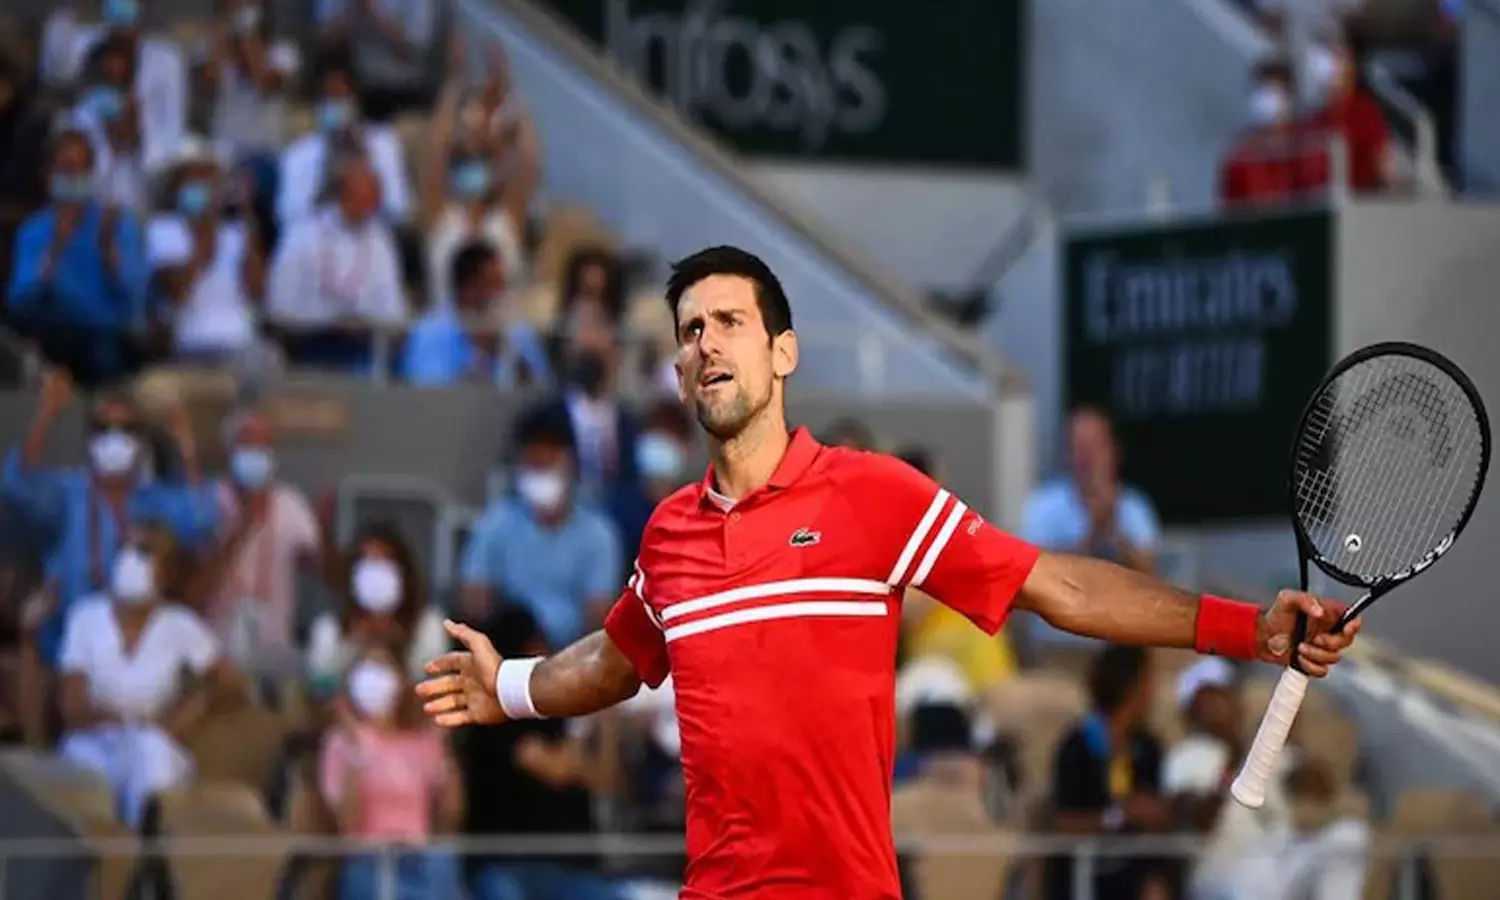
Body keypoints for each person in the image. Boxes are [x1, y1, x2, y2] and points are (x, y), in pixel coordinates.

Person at [417, 245, 1362, 900]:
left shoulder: (873, 495)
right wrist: (511, 687)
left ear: (783, 352)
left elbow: (1058, 587)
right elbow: (616, 659)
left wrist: (1250, 629)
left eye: (730, 321)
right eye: (690, 329)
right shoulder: (667, 536)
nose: (706, 341)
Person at [57, 525, 239, 827]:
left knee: (153, 753)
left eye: (145, 553)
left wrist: (193, 707)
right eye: (127, 549)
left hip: (152, 739)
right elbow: (72, 708)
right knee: (83, 768)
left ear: (166, 574)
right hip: (95, 740)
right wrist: (120, 720)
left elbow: (232, 685)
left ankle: (144, 846)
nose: (132, 560)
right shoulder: (86, 617)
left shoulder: (180, 624)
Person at [185, 408, 332, 681]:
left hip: (273, 660)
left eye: (265, 445)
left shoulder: (290, 503)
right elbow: (192, 594)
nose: (257, 452)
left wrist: (327, 532)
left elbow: (325, 572)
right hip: (214, 661)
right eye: (248, 443)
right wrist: (241, 528)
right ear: (230, 450)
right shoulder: (205, 502)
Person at [458, 405, 621, 643]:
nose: (541, 471)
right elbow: (473, 599)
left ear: (571, 465)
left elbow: (598, 616)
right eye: (534, 464)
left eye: (549, 464)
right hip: (508, 651)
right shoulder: (495, 523)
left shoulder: (598, 534)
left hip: (572, 654)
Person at [320, 641, 463, 900]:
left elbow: (450, 816)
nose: (374, 677)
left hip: (419, 860)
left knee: (444, 862)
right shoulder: (341, 741)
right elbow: (345, 824)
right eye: (367, 666)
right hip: (368, 861)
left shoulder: (423, 739)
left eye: (382, 666)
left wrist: (445, 750)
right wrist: (357, 751)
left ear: (400, 678)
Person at [1046, 645, 1173, 900]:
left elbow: (1159, 816)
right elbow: (1063, 823)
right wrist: (1119, 816)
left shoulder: (1148, 747)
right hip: (1084, 872)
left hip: (1134, 872)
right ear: (1130, 686)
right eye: (1147, 681)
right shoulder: (1077, 745)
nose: (1153, 691)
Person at [305, 522, 447, 696]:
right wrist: (354, 647)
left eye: (384, 561)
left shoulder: (428, 626)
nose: (375, 573)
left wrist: (395, 647)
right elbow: (318, 691)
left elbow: (436, 689)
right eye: (367, 562)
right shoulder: (329, 630)